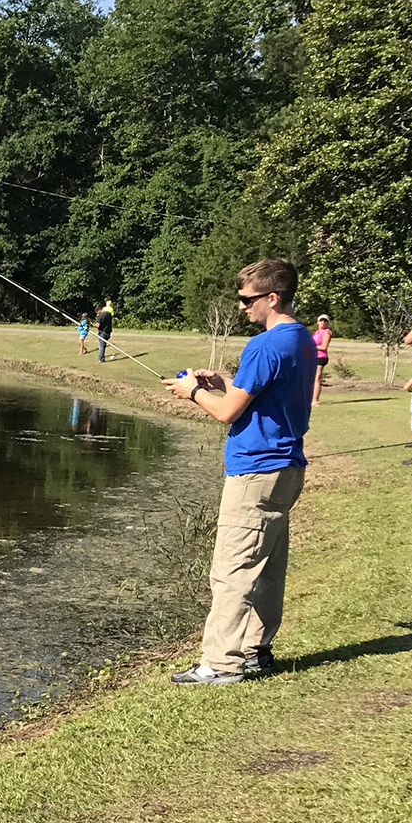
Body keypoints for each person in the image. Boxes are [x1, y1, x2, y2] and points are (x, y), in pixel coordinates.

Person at [163, 258, 316, 684]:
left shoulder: (265, 344)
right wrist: (222, 380)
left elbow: (229, 413)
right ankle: (255, 650)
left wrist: (192, 391)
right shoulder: (300, 337)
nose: (242, 306)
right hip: (286, 468)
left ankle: (222, 663)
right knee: (266, 565)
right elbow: (259, 391)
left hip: (256, 471)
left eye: (248, 299)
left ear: (272, 297)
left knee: (232, 568)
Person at [310, 313, 333, 407]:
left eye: (325, 321)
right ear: (317, 322)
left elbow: (324, 346)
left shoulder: (326, 332)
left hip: (321, 357)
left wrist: (312, 347)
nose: (323, 322)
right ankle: (311, 398)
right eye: (321, 320)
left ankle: (315, 400)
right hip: (314, 357)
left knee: (317, 378)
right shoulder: (316, 332)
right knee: (311, 378)